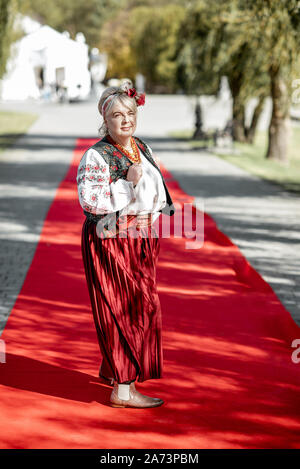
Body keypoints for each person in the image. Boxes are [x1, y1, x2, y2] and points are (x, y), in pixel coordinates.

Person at [76, 80, 175, 408]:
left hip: (140, 240)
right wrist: (125, 183)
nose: (126, 119)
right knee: (123, 308)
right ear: (106, 120)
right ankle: (123, 388)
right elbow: (90, 202)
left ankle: (114, 369)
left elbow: (157, 193)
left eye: (130, 113)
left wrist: (151, 216)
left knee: (143, 305)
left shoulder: (141, 147)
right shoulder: (96, 154)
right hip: (110, 241)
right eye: (117, 115)